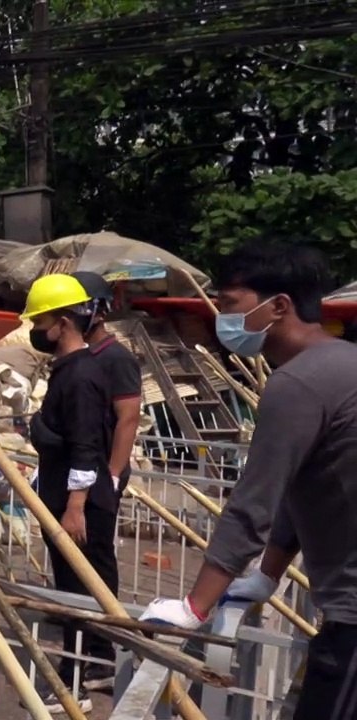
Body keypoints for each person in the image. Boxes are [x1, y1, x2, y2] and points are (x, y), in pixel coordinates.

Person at [140, 244, 357, 718]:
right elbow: (309, 488)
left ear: (278, 306)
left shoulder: (298, 384)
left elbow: (252, 505)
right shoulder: (344, 363)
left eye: (231, 303)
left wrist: (194, 608)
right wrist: (266, 576)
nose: (222, 316)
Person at [23, 273, 118, 713]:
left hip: (77, 502)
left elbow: (86, 447)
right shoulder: (71, 370)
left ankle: (74, 681)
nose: (36, 331)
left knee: (77, 592)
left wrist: (76, 507)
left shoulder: (80, 376)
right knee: (78, 588)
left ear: (63, 322)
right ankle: (95, 664)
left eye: (41, 322)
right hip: (66, 495)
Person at [71, 271, 142, 497]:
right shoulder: (77, 356)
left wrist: (112, 474)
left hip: (99, 472)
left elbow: (128, 418)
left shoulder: (117, 359)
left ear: (98, 311)